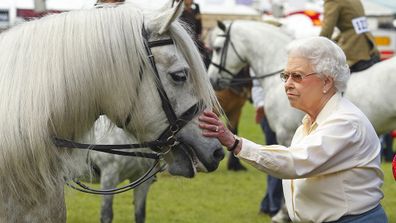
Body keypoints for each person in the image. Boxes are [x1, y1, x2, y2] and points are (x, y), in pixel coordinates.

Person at [199, 36, 387, 222]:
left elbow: (293, 163)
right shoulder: (309, 122)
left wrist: (235, 143)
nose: (287, 84)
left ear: (327, 82)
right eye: (285, 75)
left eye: (297, 76)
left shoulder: (345, 122)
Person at [252, 79, 289, 222]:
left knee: (276, 159)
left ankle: (270, 203)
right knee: (274, 158)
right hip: (269, 113)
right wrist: (261, 105)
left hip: (281, 112)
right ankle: (273, 205)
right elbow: (257, 85)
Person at [319, 0, 380, 73]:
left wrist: (317, 46)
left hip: (353, 49)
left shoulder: (333, 1)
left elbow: (327, 29)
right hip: (369, 45)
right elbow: (350, 27)